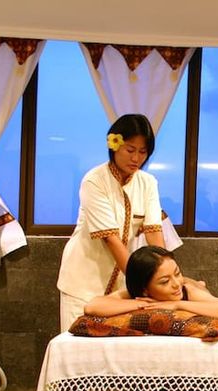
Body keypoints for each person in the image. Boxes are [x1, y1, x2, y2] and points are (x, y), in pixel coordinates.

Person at [56, 114, 169, 331]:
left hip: (120, 289)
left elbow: (154, 234)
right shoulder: (94, 181)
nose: (136, 158)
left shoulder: (148, 183)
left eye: (142, 152)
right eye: (130, 149)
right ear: (114, 146)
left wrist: (167, 276)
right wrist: (147, 285)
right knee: (78, 347)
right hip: (83, 285)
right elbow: (111, 239)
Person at [84, 246, 218, 322]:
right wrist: (145, 304)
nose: (176, 284)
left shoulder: (186, 290)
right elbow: (92, 307)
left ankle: (198, 283)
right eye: (165, 281)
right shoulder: (136, 294)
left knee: (196, 284)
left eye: (177, 273)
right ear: (145, 290)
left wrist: (177, 305)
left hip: (194, 286)